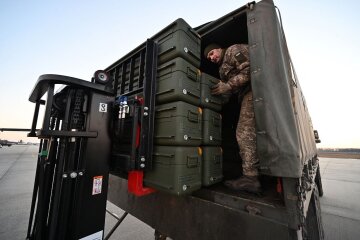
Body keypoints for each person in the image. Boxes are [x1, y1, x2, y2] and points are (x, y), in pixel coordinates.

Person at [204, 43, 261, 194]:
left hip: (254, 90)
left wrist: (227, 85)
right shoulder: (222, 70)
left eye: (212, 53)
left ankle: (250, 178)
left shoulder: (233, 50)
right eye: (209, 57)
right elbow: (227, 93)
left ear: (219, 48)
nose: (212, 57)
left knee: (244, 132)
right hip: (244, 95)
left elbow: (250, 70)